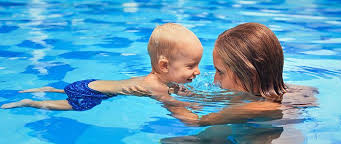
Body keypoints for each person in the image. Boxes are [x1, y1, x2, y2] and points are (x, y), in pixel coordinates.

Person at [1, 23, 203, 118]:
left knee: (66, 90)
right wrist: (191, 107)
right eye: (190, 66)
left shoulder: (158, 79)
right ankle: (31, 102)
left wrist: (184, 91)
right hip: (89, 93)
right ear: (164, 66)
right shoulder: (155, 87)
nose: (198, 71)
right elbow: (172, 105)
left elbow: (173, 89)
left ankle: (50, 88)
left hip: (90, 84)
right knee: (66, 106)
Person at [161, 22, 319, 143]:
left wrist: (161, 95)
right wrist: (181, 91)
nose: (215, 80)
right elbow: (218, 99)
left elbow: (194, 121)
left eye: (220, 72)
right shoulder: (270, 94)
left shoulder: (258, 107)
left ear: (250, 76)